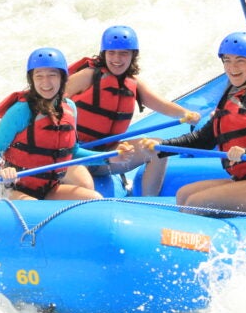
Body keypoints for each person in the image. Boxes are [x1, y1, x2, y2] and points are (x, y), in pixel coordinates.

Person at [136, 32, 246, 214]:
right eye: (227, 60)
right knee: (183, 194)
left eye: (240, 61)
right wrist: (162, 147)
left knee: (195, 202)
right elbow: (203, 138)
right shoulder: (232, 93)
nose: (232, 67)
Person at [62, 25, 200, 191]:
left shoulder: (134, 83)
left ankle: (148, 202)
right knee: (84, 184)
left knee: (159, 148)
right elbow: (51, 100)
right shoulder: (89, 76)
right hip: (75, 154)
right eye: (111, 53)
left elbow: (161, 104)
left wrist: (186, 113)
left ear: (133, 55)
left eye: (123, 53)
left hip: (108, 155)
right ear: (103, 53)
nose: (117, 59)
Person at [0, 47, 104, 201]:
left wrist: (108, 158)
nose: (45, 82)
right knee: (34, 206)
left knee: (95, 198)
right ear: (31, 80)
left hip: (48, 188)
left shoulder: (70, 108)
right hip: (12, 188)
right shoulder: (20, 111)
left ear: (62, 78)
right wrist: (0, 173)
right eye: (39, 76)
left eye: (52, 75)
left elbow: (73, 151)